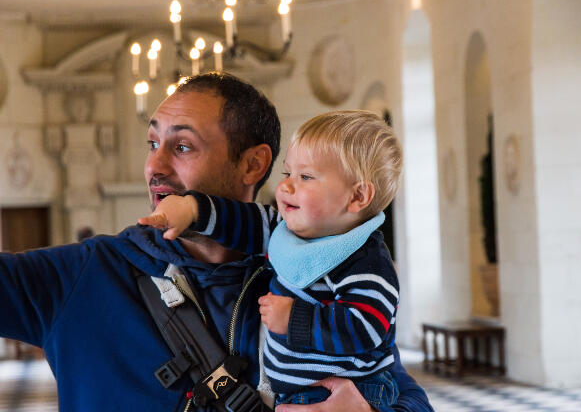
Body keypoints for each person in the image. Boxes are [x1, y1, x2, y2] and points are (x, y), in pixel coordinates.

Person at [0, 72, 433, 412]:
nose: (155, 165)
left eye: (183, 146)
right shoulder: (84, 274)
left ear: (253, 164)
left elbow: (396, 384)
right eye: (152, 142)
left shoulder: (314, 273)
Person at [139, 110, 402, 409]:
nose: (287, 186)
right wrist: (192, 210)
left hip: (346, 390)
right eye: (287, 174)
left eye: (305, 177)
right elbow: (240, 220)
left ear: (357, 197)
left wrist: (295, 319)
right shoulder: (285, 228)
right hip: (292, 391)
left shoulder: (365, 261)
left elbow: (367, 326)